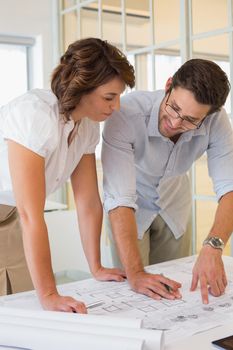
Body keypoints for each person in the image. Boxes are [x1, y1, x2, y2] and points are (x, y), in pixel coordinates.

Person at [0, 37, 135, 313]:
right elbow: (31, 214)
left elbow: (87, 202)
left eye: (119, 96)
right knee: (29, 304)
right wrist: (50, 293)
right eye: (109, 97)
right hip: (19, 214)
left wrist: (95, 267)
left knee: (18, 305)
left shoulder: (86, 127)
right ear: (83, 87)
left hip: (7, 216)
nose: (116, 106)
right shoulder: (34, 114)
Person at [102, 58, 233, 304]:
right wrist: (137, 273)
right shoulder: (126, 114)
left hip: (174, 206)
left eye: (191, 120)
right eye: (174, 108)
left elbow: (229, 188)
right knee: (135, 291)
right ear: (168, 85)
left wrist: (213, 245)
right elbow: (119, 197)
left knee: (175, 293)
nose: (174, 123)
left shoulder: (216, 121)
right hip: (129, 208)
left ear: (209, 115)